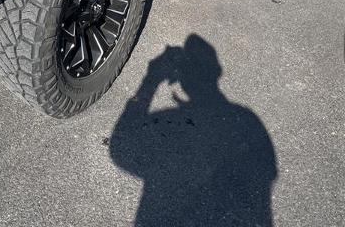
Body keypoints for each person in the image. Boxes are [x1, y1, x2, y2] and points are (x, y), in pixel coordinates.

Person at [110, 35, 277, 226]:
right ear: (217, 71)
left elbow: (120, 151)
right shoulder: (247, 120)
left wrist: (151, 80)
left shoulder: (170, 119)